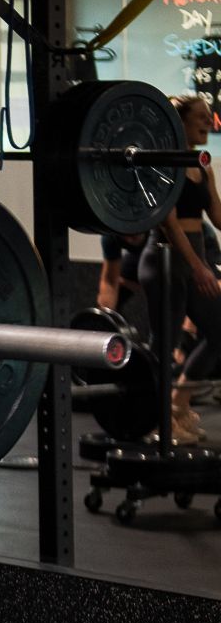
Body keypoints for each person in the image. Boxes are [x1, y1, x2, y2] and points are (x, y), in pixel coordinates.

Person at [137, 94, 221, 443]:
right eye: (200, 118)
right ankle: (155, 423)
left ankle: (178, 404)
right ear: (180, 122)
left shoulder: (202, 163)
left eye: (208, 117)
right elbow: (169, 224)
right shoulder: (165, 163)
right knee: (164, 345)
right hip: (166, 260)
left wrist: (201, 265)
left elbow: (216, 216)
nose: (208, 122)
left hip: (194, 260)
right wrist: (199, 268)